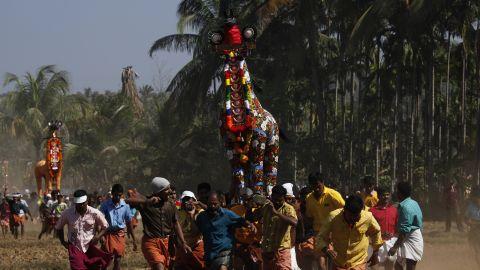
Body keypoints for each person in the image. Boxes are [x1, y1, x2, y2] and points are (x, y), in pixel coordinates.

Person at [126, 177, 191, 270]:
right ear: (158, 191)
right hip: (150, 242)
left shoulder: (171, 204)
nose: (170, 191)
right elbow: (125, 201)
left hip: (167, 243)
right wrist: (146, 201)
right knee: (159, 266)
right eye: (167, 189)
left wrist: (183, 243)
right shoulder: (146, 202)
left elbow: (176, 224)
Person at [316, 194, 383, 270]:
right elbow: (320, 237)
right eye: (352, 217)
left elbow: (376, 232)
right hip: (339, 264)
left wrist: (375, 253)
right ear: (344, 210)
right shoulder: (333, 218)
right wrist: (326, 250)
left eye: (358, 216)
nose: (356, 220)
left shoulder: (368, 217)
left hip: (358, 264)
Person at [196, 191, 256, 270]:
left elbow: (241, 220)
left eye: (215, 204)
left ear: (220, 203)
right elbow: (197, 230)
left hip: (225, 253)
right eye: (210, 204)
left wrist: (250, 225)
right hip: (210, 255)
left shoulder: (227, 214)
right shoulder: (201, 217)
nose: (213, 206)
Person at [55, 189, 112, 270]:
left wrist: (98, 237)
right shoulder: (67, 213)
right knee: (77, 267)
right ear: (75, 203)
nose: (80, 206)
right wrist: (63, 242)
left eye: (82, 204)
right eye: (78, 204)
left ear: (87, 202)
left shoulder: (95, 212)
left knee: (95, 266)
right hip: (74, 247)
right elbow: (59, 227)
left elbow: (105, 226)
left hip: (90, 246)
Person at [305, 172, 345, 269]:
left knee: (334, 260)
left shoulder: (333, 194)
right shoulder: (309, 198)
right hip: (319, 233)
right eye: (313, 185)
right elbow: (309, 216)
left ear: (322, 182)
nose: (316, 188)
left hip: (334, 232)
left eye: (318, 185)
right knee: (320, 262)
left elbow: (345, 209)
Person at [100, 184, 137, 270]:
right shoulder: (105, 205)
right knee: (108, 259)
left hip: (120, 234)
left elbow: (129, 222)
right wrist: (100, 235)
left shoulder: (125, 206)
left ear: (122, 195)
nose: (117, 197)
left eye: (119, 195)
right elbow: (99, 221)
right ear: (112, 193)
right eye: (116, 195)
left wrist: (134, 239)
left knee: (118, 258)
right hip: (108, 234)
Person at [261, 185, 298, 270]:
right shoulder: (266, 206)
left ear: (284, 198)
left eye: (280, 200)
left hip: (282, 249)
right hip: (267, 249)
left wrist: (276, 213)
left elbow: (295, 222)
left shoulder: (288, 208)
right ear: (271, 197)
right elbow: (255, 216)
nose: (277, 202)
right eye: (275, 200)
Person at [388, 181, 423, 270]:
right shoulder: (414, 203)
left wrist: (394, 247)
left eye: (397, 191)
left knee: (410, 266)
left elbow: (404, 230)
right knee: (398, 265)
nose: (395, 193)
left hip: (411, 237)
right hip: (411, 236)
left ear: (400, 193)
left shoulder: (405, 207)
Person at [230, 187, 263, 270]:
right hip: (239, 245)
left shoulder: (259, 210)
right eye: (243, 199)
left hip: (255, 246)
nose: (246, 201)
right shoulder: (235, 210)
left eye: (248, 199)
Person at [175, 190, 206, 270]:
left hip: (197, 245)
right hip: (182, 246)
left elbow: (212, 211)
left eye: (189, 199)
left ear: (194, 200)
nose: (187, 201)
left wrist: (192, 212)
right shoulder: (178, 213)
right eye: (185, 199)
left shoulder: (200, 212)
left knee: (199, 266)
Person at [370, 186, 398, 270]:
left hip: (391, 243)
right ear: (378, 196)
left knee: (389, 265)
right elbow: (368, 230)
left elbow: (397, 228)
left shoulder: (394, 210)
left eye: (387, 194)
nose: (386, 197)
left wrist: (393, 235)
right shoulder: (372, 211)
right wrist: (381, 234)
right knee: (374, 267)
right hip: (376, 244)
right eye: (383, 195)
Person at [282, 182, 301, 270]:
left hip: (292, 246)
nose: (288, 201)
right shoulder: (276, 210)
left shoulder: (295, 210)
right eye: (286, 199)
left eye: (290, 199)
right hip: (280, 246)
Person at [465, 186, 480, 267]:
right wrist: (470, 223)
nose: (478, 201)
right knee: (476, 250)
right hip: (474, 231)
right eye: (476, 198)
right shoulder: (471, 206)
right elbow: (466, 219)